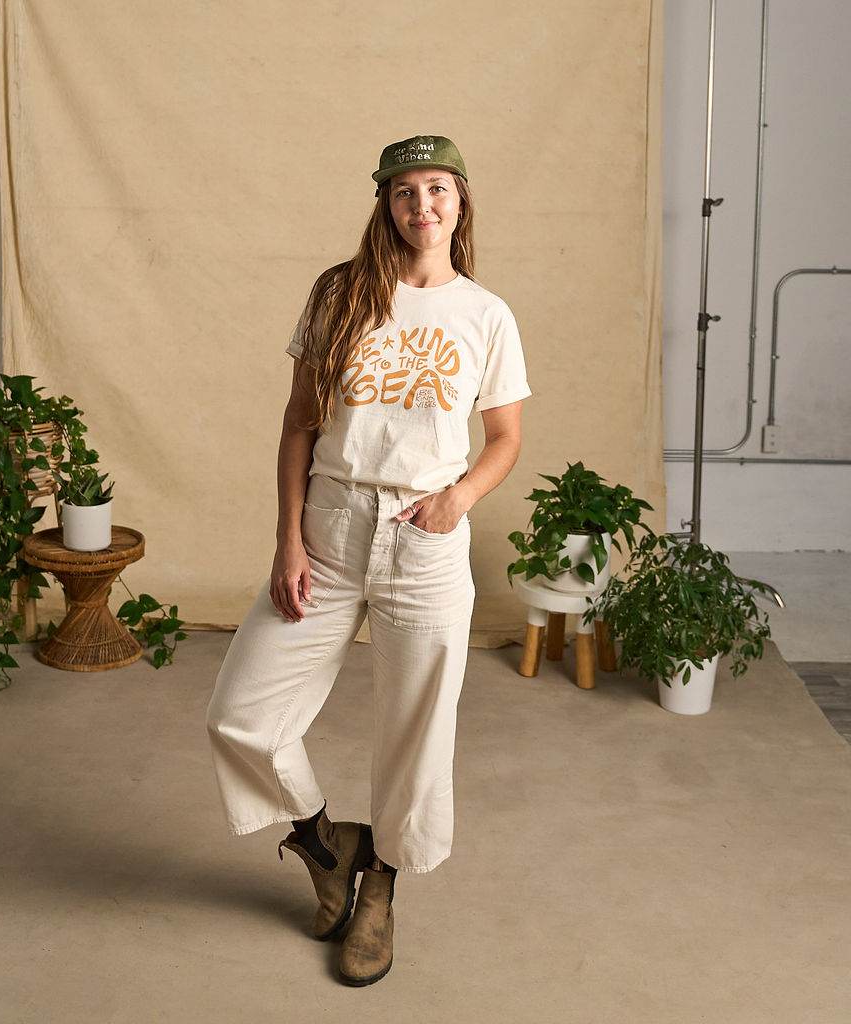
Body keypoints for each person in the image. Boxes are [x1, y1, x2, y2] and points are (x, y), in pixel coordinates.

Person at [205, 134, 531, 986]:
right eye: (405, 193)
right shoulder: (342, 294)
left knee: (415, 731)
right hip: (332, 523)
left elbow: (503, 440)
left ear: (460, 203)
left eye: (438, 191)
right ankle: (323, 840)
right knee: (242, 712)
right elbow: (298, 425)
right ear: (384, 205)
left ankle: (379, 886)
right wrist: (287, 538)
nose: (422, 208)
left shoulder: (485, 314)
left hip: (424, 538)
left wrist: (458, 499)